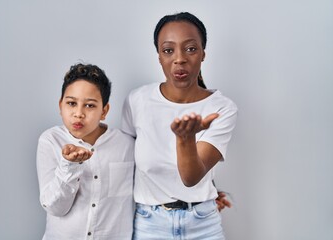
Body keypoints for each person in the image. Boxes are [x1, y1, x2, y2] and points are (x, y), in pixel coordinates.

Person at [121, 12, 238, 239]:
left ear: (203, 53)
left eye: (191, 49)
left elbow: (191, 177)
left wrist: (185, 139)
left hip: (203, 225)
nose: (179, 59)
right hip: (149, 226)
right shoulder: (137, 101)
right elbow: (123, 167)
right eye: (168, 50)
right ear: (158, 56)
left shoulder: (221, 108)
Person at [36, 63, 135, 240]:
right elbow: (55, 207)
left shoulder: (126, 144)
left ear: (104, 111)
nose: (78, 113)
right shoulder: (50, 140)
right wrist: (69, 166)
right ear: (61, 106)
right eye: (71, 103)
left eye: (89, 106)